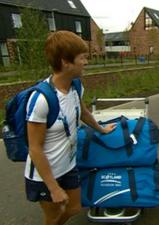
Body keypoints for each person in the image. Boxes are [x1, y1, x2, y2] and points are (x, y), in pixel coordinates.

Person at [25, 31, 115, 225]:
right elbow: (35, 148)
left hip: (68, 165)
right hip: (44, 174)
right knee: (53, 217)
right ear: (66, 62)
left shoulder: (76, 86)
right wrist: (53, 187)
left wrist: (101, 129)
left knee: (74, 208)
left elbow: (82, 113)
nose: (86, 62)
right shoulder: (41, 99)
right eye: (82, 58)